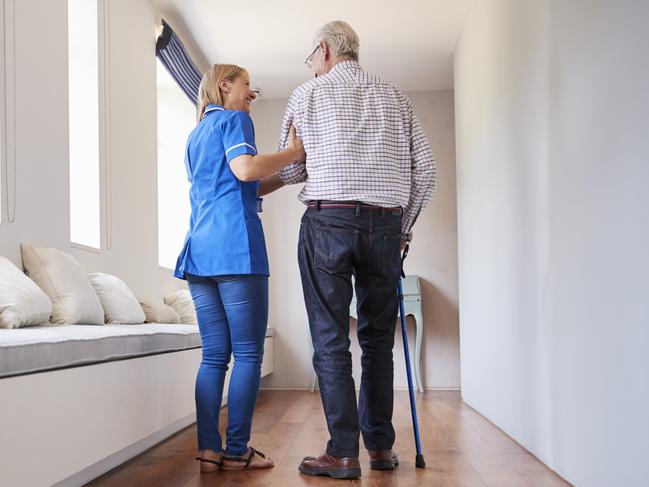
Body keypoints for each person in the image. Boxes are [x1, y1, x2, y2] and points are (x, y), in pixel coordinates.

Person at [272, 21, 437, 479]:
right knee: (378, 342)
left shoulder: (307, 95)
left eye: (311, 59)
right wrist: (401, 229)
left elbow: (289, 169)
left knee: (330, 341)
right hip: (385, 225)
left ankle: (343, 453)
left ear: (324, 50)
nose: (312, 67)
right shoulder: (397, 96)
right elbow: (426, 172)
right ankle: (381, 449)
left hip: (328, 220)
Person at [174, 64, 305, 472]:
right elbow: (246, 169)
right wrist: (294, 153)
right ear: (225, 85)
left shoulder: (196, 135)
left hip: (199, 252)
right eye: (247, 85)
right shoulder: (235, 120)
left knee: (214, 356)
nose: (252, 93)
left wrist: (286, 175)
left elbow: (243, 182)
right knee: (248, 353)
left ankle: (209, 449)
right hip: (236, 250)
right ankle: (236, 451)